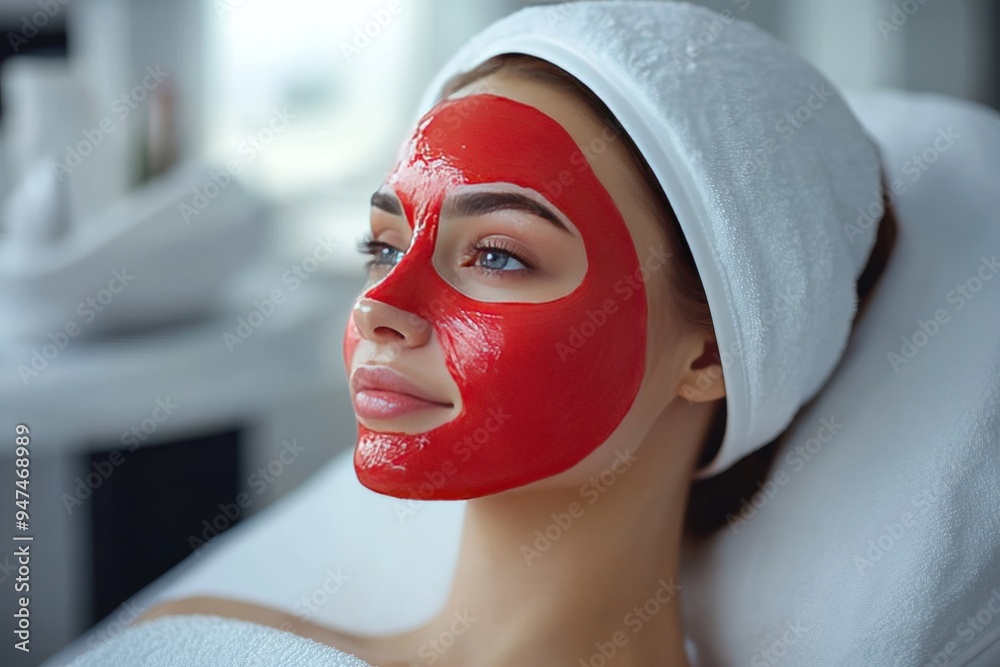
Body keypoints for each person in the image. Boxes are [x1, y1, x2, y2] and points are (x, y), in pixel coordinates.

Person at [135, 3, 897, 665]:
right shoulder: (198, 647)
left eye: (498, 254)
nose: (377, 308)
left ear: (707, 353)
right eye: (385, 248)